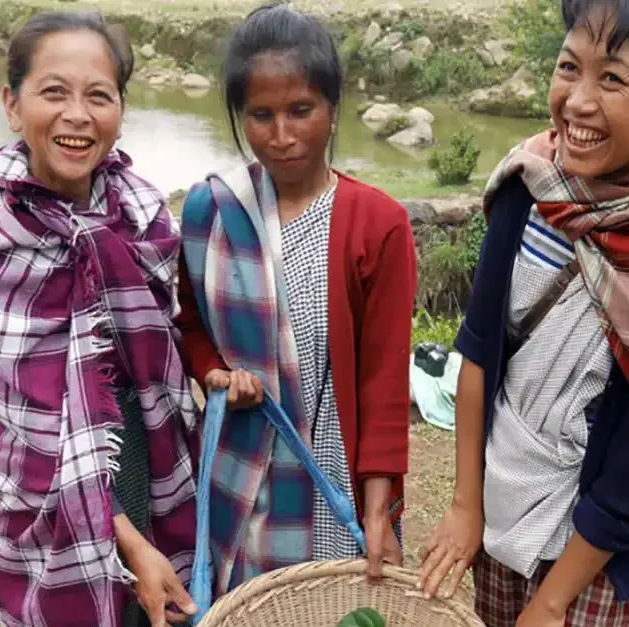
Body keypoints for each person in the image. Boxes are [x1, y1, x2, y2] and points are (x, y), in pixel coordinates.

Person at [417, 1, 629, 626]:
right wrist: (467, 506)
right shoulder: (531, 186)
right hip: (502, 503)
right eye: (569, 66)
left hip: (594, 558)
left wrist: (552, 604)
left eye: (613, 78)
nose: (577, 101)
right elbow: (479, 348)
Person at [0, 11, 201, 627]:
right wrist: (132, 544)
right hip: (34, 497)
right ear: (12, 104)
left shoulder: (140, 212)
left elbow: (162, 347)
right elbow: (38, 431)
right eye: (54, 92)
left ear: (121, 109)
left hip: (139, 457)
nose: (77, 115)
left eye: (99, 95)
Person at [174, 3, 416, 598]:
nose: (281, 136)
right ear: (239, 116)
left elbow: (385, 380)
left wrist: (377, 510)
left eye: (300, 111)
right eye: (261, 115)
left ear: (333, 110)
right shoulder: (212, 212)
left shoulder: (376, 224)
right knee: (248, 606)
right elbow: (189, 326)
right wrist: (217, 375)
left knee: (331, 605)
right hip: (244, 476)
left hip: (330, 475)